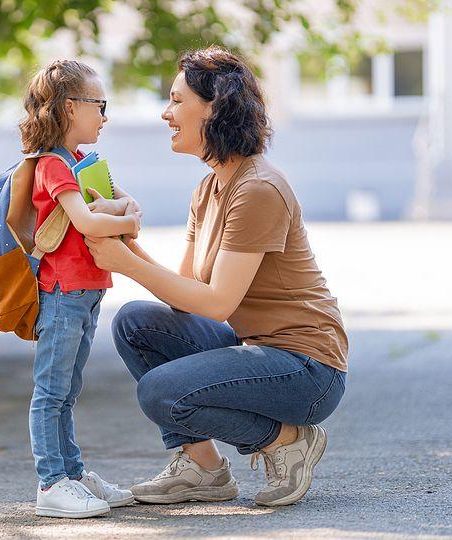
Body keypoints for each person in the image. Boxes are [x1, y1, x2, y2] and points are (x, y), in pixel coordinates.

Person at [85, 46, 348, 508]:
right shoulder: (209, 187)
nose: (165, 113)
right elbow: (186, 297)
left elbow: (217, 304)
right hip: (262, 352)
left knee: (161, 391)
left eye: (176, 100)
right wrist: (128, 236)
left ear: (216, 107)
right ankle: (203, 469)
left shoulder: (257, 189)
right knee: (135, 323)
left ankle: (287, 439)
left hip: (308, 369)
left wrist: (124, 262)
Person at [19, 59, 141, 518]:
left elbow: (128, 202)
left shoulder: (81, 163)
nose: (105, 117)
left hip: (86, 293)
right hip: (64, 293)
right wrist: (127, 218)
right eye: (100, 106)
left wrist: (125, 211)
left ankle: (72, 473)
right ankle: (51, 483)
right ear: (72, 108)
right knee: (51, 391)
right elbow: (92, 219)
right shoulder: (53, 165)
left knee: (67, 390)